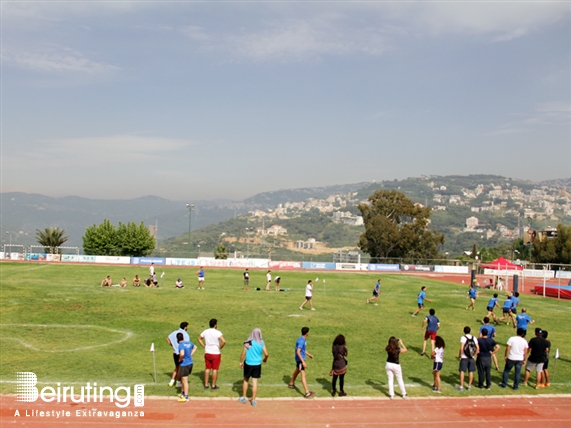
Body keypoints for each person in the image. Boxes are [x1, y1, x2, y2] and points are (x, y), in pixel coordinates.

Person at [238, 328, 269, 406]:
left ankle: (244, 397)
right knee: (254, 382)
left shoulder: (248, 342)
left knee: (246, 380)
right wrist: (265, 359)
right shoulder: (261, 342)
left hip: (248, 363)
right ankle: (253, 400)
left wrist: (241, 362)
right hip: (257, 364)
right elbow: (266, 354)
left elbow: (243, 353)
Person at [198, 318, 226, 389]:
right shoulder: (217, 332)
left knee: (207, 368)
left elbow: (199, 338)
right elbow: (224, 341)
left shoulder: (205, 331)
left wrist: (204, 345)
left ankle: (206, 384)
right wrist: (220, 347)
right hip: (215, 353)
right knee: (215, 369)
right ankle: (213, 385)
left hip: (207, 352)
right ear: (215, 325)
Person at [288, 327, 315, 398]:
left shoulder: (302, 339)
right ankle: (307, 392)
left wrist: (309, 355)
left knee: (297, 371)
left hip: (299, 360)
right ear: (307, 333)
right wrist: (303, 362)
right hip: (300, 360)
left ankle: (291, 384)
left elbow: (302, 350)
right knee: (303, 374)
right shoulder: (301, 341)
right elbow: (298, 351)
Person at [166, 322, 190, 387]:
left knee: (177, 367)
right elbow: (186, 344)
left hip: (175, 353)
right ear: (185, 327)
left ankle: (172, 381)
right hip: (181, 353)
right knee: (180, 368)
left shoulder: (174, 332)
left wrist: (172, 345)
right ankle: (178, 382)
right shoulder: (185, 334)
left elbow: (167, 338)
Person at [457, 326, 479, 392]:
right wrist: (474, 355)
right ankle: (469, 386)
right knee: (471, 371)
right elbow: (477, 348)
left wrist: (460, 356)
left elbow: (461, 348)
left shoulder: (463, 338)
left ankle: (461, 386)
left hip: (464, 357)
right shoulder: (474, 338)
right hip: (471, 357)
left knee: (462, 371)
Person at [177, 332, 196, 402]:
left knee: (185, 381)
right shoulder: (188, 343)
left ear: (177, 339)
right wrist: (190, 354)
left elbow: (182, 354)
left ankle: (186, 396)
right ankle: (182, 393)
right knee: (183, 379)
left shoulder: (181, 345)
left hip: (184, 364)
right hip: (190, 363)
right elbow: (195, 347)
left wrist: (180, 359)